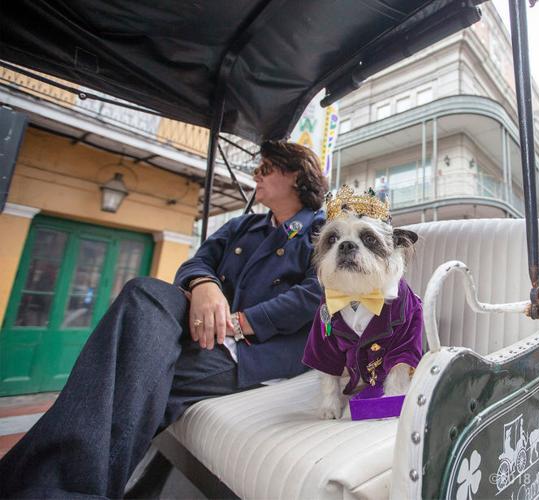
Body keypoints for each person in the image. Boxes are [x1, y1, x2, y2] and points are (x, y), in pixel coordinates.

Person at [0, 140, 328, 498]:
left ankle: (37, 487)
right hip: (202, 330)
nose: (256, 176)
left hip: (255, 352)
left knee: (130, 378)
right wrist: (204, 284)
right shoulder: (242, 226)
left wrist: (241, 322)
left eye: (265, 168)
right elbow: (197, 261)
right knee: (142, 292)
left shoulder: (323, 230)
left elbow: (321, 291)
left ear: (295, 174)